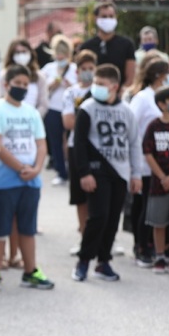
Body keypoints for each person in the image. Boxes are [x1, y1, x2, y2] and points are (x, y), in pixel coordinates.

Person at [0, 65, 54, 291]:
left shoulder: (31, 112)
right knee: (1, 226)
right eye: (18, 84)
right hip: (5, 179)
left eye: (26, 84)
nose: (22, 88)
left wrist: (36, 168)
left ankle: (30, 271)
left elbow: (41, 144)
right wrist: (20, 167)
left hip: (30, 180)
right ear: (6, 85)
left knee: (27, 227)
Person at [71, 64, 141, 282]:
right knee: (98, 216)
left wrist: (136, 173)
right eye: (95, 83)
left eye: (101, 84)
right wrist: (84, 173)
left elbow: (134, 143)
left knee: (112, 219)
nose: (96, 88)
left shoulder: (127, 111)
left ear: (115, 86)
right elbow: (79, 143)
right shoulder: (87, 108)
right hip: (97, 169)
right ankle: (84, 260)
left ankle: (104, 261)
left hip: (120, 171)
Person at [128, 59, 169, 266]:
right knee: (145, 206)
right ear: (158, 76)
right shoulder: (143, 98)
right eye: (167, 73)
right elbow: (132, 125)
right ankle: (141, 246)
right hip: (146, 162)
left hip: (165, 163)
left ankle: (158, 246)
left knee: (159, 208)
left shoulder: (167, 97)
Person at [142, 87, 169, 273]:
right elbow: (148, 152)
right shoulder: (154, 126)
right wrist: (163, 177)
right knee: (158, 222)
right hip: (159, 184)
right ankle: (159, 256)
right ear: (161, 104)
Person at [63, 50, 97, 254]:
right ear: (77, 71)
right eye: (83, 69)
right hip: (77, 147)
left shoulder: (103, 90)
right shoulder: (71, 93)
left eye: (91, 69)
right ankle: (85, 239)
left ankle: (102, 238)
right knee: (80, 197)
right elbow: (68, 122)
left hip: (99, 149)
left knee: (101, 196)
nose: (87, 73)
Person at [41, 34, 78, 186]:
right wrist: (53, 84)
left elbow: (80, 88)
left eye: (63, 52)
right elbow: (41, 88)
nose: (60, 55)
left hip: (70, 110)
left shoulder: (74, 69)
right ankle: (60, 172)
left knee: (71, 141)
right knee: (55, 141)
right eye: (58, 52)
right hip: (53, 109)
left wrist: (69, 84)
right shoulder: (49, 68)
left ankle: (72, 170)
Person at [80, 1, 136, 87]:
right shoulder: (86, 47)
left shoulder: (127, 44)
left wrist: (119, 95)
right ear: (96, 18)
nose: (108, 19)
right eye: (104, 16)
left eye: (111, 16)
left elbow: (130, 77)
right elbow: (82, 75)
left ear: (116, 18)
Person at [0, 39, 48, 114]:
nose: (21, 55)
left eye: (24, 52)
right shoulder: (4, 75)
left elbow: (43, 104)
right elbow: (2, 99)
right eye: (18, 52)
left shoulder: (39, 76)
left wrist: (32, 118)